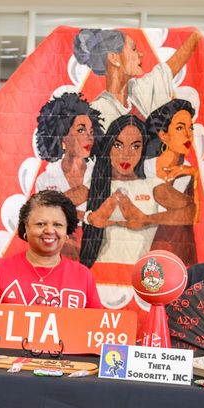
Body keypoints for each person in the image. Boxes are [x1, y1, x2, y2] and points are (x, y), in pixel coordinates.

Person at [79, 115, 196, 308]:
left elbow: (191, 211)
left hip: (140, 282)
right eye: (118, 145)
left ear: (143, 149)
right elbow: (51, 207)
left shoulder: (152, 186)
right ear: (108, 146)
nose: (126, 155)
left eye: (135, 146)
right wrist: (91, 218)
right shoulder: (95, 186)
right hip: (96, 280)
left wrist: (146, 219)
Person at [0, 190, 102, 309]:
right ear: (26, 226)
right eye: (41, 224)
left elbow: (97, 325)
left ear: (66, 230)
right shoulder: (1, 269)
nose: (49, 230)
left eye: (57, 224)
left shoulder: (83, 275)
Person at [72, 28, 200, 131]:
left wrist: (195, 34)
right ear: (114, 58)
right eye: (133, 49)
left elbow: (172, 66)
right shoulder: (97, 111)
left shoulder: (138, 90)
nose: (141, 54)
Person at [142, 98, 204, 265]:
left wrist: (195, 176)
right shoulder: (143, 168)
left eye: (190, 128)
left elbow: (195, 220)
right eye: (180, 127)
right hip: (139, 251)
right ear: (163, 135)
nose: (188, 134)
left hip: (176, 257)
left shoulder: (189, 174)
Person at [32, 91, 100, 210]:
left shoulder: (99, 172)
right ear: (63, 137)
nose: (89, 137)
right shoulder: (45, 179)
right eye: (81, 130)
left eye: (91, 132)